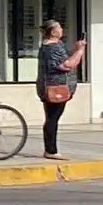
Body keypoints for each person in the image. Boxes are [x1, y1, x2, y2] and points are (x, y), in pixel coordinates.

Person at [36, 20, 84, 160]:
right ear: (53, 32)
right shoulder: (52, 48)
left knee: (52, 117)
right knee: (53, 118)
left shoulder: (54, 46)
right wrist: (80, 51)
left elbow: (67, 56)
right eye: (59, 28)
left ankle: (50, 148)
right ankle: (51, 150)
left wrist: (76, 49)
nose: (62, 30)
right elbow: (67, 65)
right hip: (55, 88)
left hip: (52, 87)